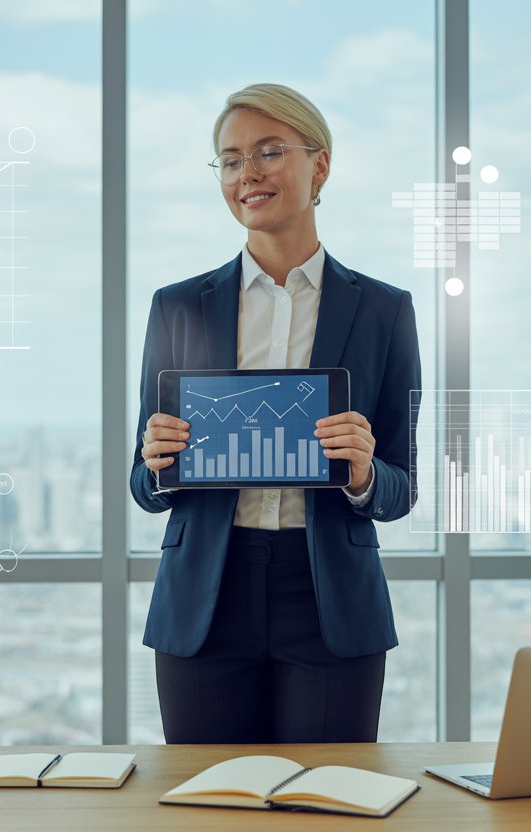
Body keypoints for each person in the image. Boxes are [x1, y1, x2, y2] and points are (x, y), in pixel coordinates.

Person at [130, 83, 421, 744]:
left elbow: (402, 488)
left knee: (327, 804)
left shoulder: (383, 312)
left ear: (319, 165)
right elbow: (145, 487)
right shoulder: (178, 308)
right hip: (206, 592)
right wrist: (156, 463)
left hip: (327, 600)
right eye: (230, 160)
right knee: (209, 804)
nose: (248, 174)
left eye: (267, 152)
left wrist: (364, 472)